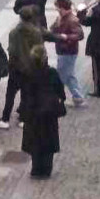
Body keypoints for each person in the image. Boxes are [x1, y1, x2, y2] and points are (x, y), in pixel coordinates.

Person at [0, 6, 50, 129]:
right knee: (26, 94)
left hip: (16, 68)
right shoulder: (36, 32)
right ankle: (23, 119)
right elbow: (40, 50)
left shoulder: (14, 32)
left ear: (20, 17)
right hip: (31, 68)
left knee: (10, 94)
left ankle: (5, 119)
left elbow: (12, 51)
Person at [21, 45, 66, 179]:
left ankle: (36, 168)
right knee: (49, 140)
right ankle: (46, 169)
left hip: (34, 112)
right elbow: (60, 90)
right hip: (49, 112)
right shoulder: (51, 73)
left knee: (35, 140)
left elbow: (25, 93)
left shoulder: (28, 73)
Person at [49, 0, 86, 106]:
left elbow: (80, 35)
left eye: (57, 7)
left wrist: (66, 37)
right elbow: (53, 29)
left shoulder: (72, 20)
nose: (56, 9)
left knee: (61, 76)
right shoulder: (61, 17)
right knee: (69, 76)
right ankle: (78, 97)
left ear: (62, 8)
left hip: (68, 51)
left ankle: (55, 98)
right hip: (63, 50)